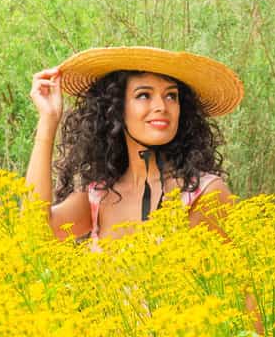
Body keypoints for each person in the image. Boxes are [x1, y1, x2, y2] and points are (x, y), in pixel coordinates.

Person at [25, 45, 244, 245]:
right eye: (143, 95)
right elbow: (34, 231)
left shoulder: (204, 194)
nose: (161, 106)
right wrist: (48, 119)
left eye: (171, 96)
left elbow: (235, 285)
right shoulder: (100, 196)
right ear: (116, 108)